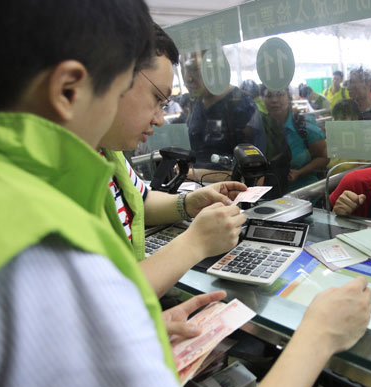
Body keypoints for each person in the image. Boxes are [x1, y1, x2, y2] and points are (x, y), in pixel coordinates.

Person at [0, 1, 371, 387]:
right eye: (124, 85)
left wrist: (129, 326)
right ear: (69, 89)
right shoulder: (54, 250)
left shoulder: (28, 192)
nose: (160, 117)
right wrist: (319, 336)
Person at [98, 23, 248, 298]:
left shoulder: (107, 151)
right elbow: (103, 301)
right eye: (156, 98)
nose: (159, 118)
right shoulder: (52, 179)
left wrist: (188, 203)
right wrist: (195, 243)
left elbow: (139, 201)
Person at [182, 52, 266, 182]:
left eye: (194, 70)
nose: (188, 78)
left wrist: (194, 175)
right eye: (184, 69)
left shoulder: (241, 105)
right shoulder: (197, 103)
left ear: (216, 70)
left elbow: (256, 176)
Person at [263, 87, 329, 194]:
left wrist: (300, 172)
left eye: (279, 94)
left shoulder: (304, 124)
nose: (274, 100)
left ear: (289, 98)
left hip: (305, 193)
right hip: (271, 195)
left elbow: (324, 157)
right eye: (269, 96)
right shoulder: (260, 127)